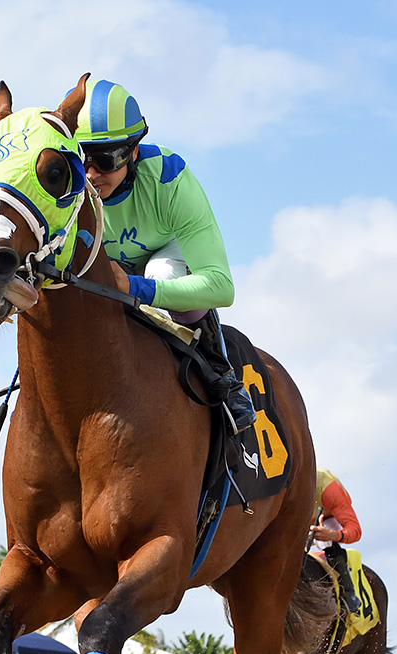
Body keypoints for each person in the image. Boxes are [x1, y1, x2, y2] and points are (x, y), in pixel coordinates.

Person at [74, 78, 255, 435]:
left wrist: (138, 288)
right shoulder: (68, 186)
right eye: (82, 161)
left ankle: (221, 374)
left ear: (133, 153)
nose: (91, 175)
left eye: (106, 160)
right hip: (103, 266)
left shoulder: (170, 179)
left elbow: (221, 287)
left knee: (162, 274)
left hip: (164, 253)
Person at [309, 470, 362, 615]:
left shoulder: (329, 489)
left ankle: (348, 593)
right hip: (299, 517)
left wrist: (333, 535)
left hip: (327, 518)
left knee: (326, 539)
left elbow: (355, 531)